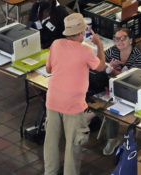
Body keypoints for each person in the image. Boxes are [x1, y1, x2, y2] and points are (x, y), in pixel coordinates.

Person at [43, 13, 106, 175]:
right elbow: (100, 68)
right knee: (73, 145)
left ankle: (50, 172)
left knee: (50, 142)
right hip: (73, 105)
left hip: (53, 100)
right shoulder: (85, 50)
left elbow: (48, 69)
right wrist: (99, 46)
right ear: (81, 33)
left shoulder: (56, 44)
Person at [102, 28, 141, 156]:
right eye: (117, 39)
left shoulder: (138, 56)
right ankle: (112, 139)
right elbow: (100, 63)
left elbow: (132, 78)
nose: (119, 41)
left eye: (123, 38)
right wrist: (109, 65)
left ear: (131, 40)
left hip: (134, 93)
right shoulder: (112, 51)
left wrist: (112, 70)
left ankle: (129, 139)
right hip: (114, 89)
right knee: (108, 107)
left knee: (111, 107)